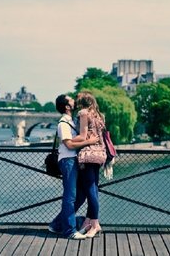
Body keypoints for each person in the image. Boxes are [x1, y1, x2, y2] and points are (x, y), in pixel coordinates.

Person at [49, 94, 98, 240]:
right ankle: (69, 231)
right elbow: (69, 144)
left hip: (75, 161)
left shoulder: (72, 121)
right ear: (67, 106)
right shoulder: (63, 123)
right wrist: (89, 142)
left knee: (81, 195)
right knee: (70, 197)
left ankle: (57, 224)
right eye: (71, 99)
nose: (74, 101)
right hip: (67, 160)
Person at [74, 91, 106, 238]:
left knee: (90, 190)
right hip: (100, 154)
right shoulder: (99, 115)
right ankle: (89, 222)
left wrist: (67, 140)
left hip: (88, 154)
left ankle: (95, 223)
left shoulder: (83, 113)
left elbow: (82, 135)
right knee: (93, 189)